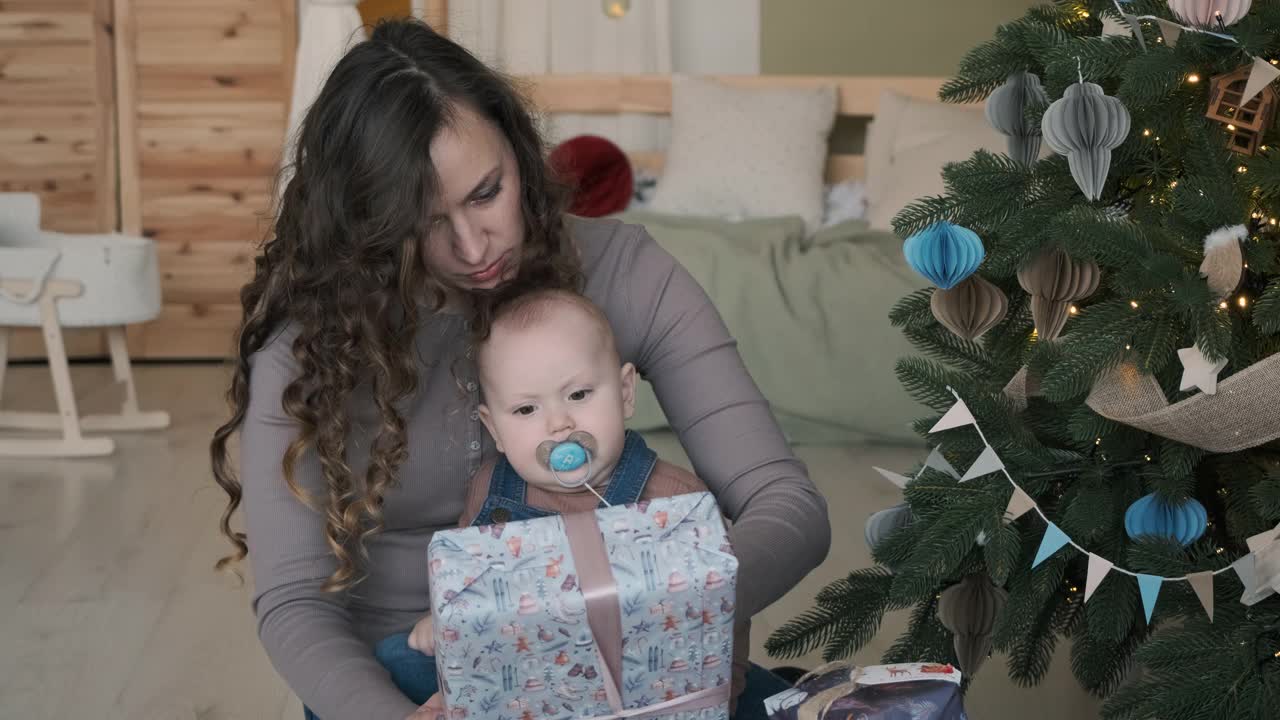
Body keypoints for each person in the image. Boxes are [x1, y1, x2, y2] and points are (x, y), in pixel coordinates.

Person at [209, 17, 831, 720]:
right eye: (424, 222)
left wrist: (670, 607)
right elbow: (292, 603)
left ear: (519, 150)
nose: (474, 246)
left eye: (486, 192)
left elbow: (787, 503)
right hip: (412, 680)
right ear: (366, 223)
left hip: (635, 663)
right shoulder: (309, 345)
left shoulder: (627, 270)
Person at [407, 286, 755, 715]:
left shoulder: (679, 503)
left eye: (578, 395)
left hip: (650, 697)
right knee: (397, 657)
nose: (558, 424)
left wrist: (723, 698)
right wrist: (444, 625)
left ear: (625, 392)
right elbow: (465, 593)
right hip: (529, 696)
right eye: (525, 410)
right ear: (493, 428)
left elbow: (722, 618)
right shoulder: (490, 493)